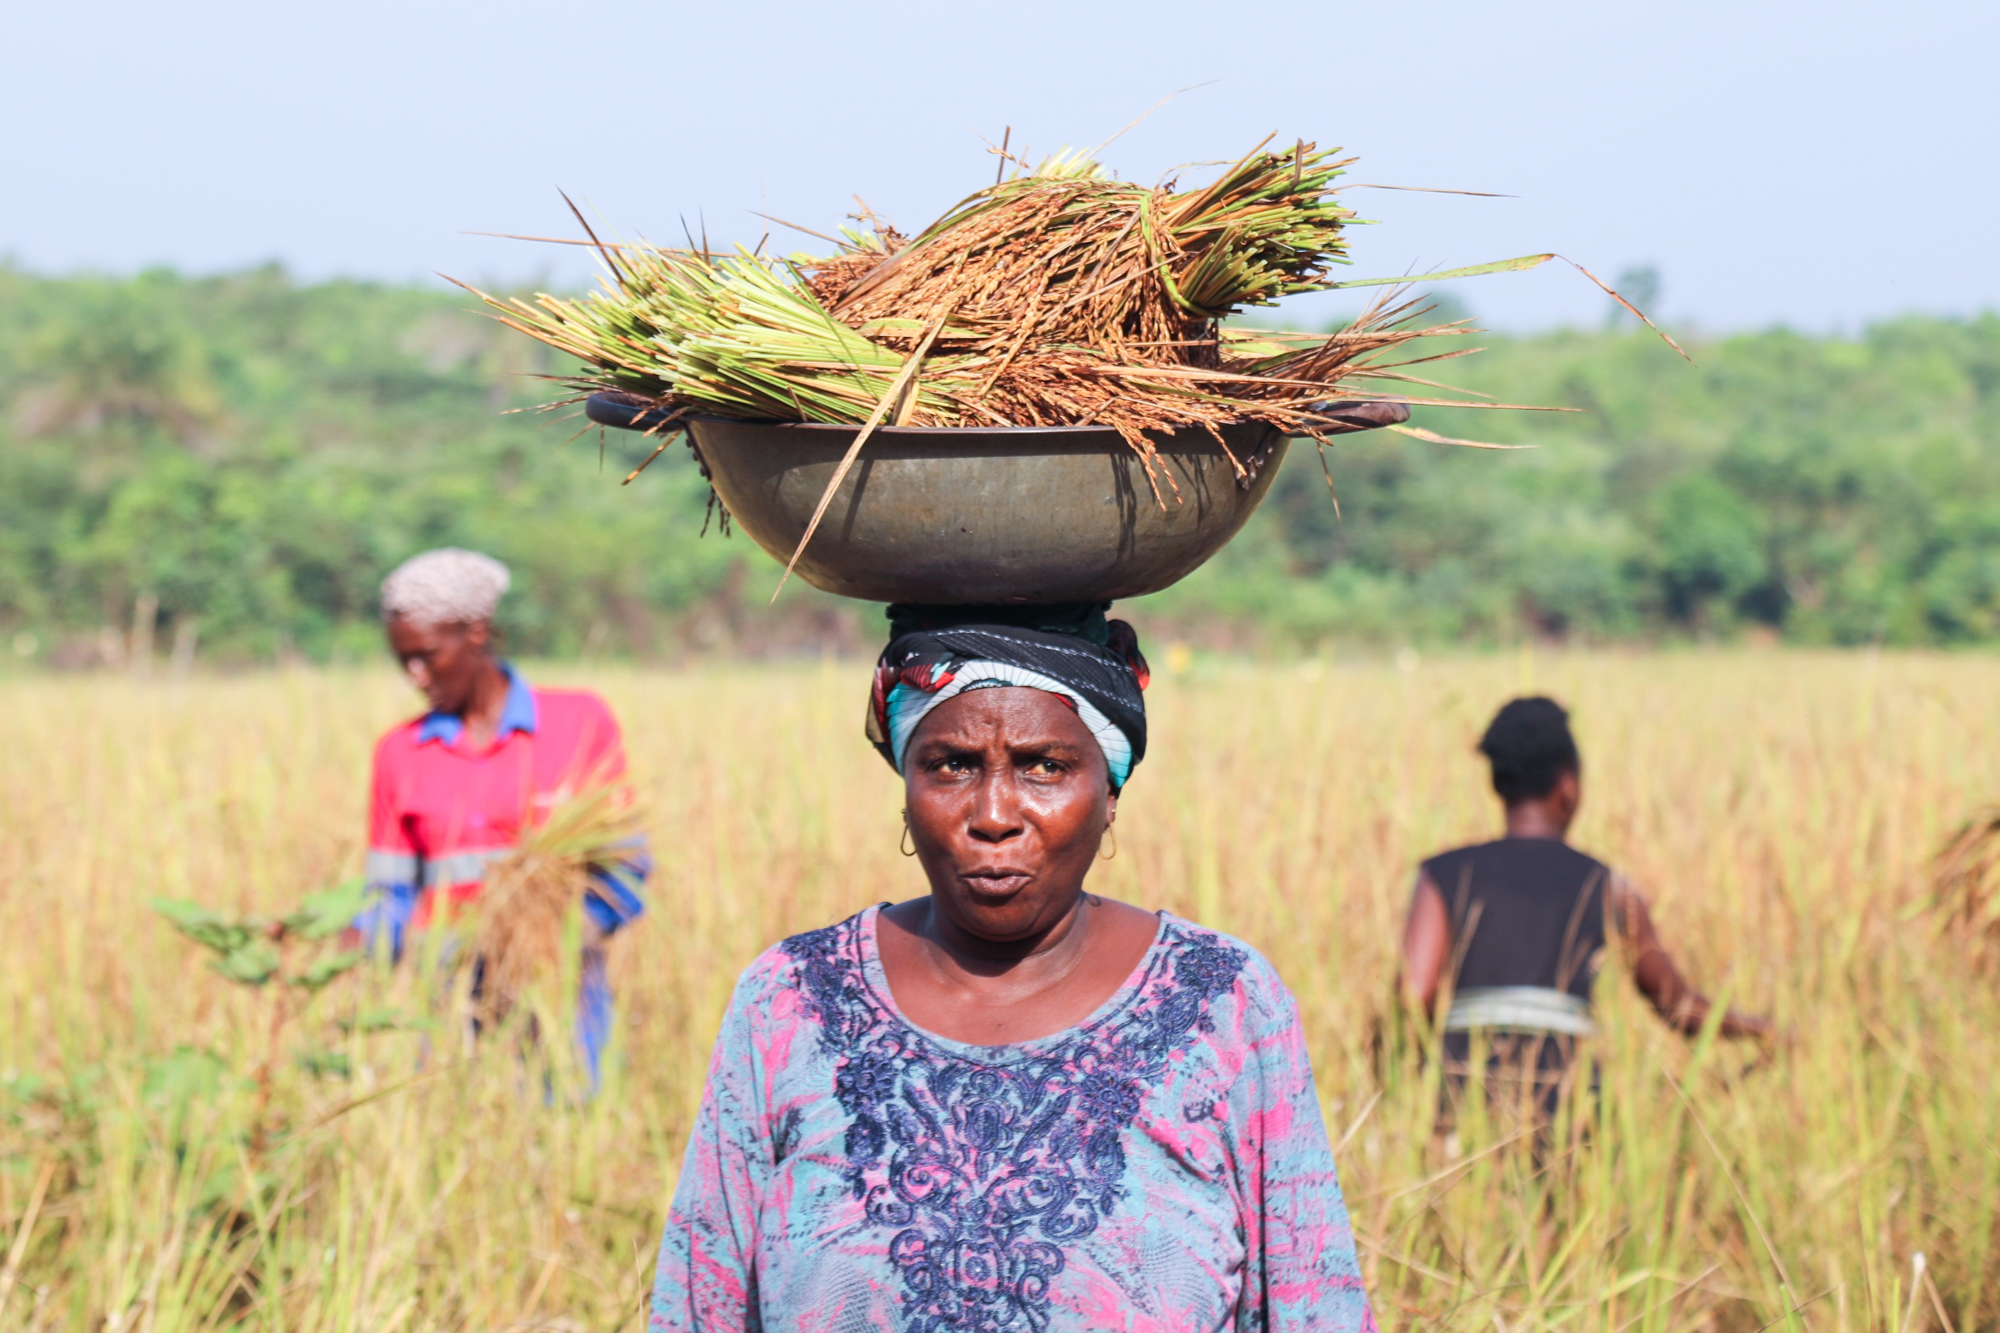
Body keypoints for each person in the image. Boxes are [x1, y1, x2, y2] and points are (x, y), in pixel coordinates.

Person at [650, 607, 1377, 1333]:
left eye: (1045, 766)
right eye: (952, 765)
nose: (994, 812)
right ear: (906, 787)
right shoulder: (790, 998)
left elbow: (1314, 1304)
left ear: (1111, 791)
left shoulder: (1223, 999)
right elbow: (697, 1303)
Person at [351, 547, 649, 1086]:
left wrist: (544, 942)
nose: (415, 676)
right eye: (403, 661)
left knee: (567, 1134)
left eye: (427, 655)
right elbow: (389, 898)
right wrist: (337, 944)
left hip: (562, 1001)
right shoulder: (399, 753)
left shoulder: (577, 724)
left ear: (476, 633)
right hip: (445, 1006)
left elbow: (627, 874)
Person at [1400, 696, 1771, 1125]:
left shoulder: (1440, 875)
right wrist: (1766, 1032)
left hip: (1460, 1098)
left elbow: (1414, 993)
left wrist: (1387, 1069)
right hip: (1569, 1107)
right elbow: (1677, 1005)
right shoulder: (1607, 885)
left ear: (1498, 784)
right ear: (1568, 786)